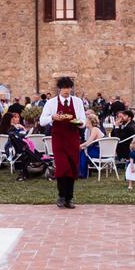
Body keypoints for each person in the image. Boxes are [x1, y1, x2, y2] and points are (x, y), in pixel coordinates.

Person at [38, 76, 85, 209]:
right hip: (58, 138)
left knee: (72, 167)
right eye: (64, 88)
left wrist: (77, 121)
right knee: (62, 167)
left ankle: (69, 198)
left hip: (72, 137)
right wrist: (53, 117)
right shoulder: (51, 103)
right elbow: (42, 121)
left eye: (69, 88)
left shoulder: (77, 102)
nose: (67, 90)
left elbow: (82, 121)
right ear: (59, 88)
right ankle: (61, 196)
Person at [77, 113, 105, 178]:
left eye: (86, 120)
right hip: (96, 149)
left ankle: (82, 173)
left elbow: (89, 142)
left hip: (100, 151)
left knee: (83, 152)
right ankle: (82, 172)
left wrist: (79, 146)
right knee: (81, 152)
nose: (85, 122)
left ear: (90, 121)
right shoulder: (90, 130)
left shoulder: (95, 129)